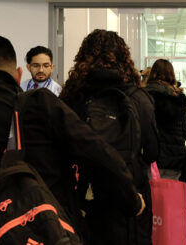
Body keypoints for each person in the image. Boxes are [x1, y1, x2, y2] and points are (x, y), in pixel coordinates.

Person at [0, 34, 145, 244]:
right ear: (18, 74)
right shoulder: (41, 106)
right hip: (49, 234)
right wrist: (132, 201)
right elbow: (99, 154)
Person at [59, 29, 159, 245]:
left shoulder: (71, 97)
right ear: (125, 57)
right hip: (131, 197)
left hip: (84, 195)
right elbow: (152, 152)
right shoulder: (138, 98)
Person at [145, 59, 186, 180]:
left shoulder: (144, 96)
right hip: (175, 160)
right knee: (170, 196)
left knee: (151, 196)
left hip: (150, 159)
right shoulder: (179, 98)